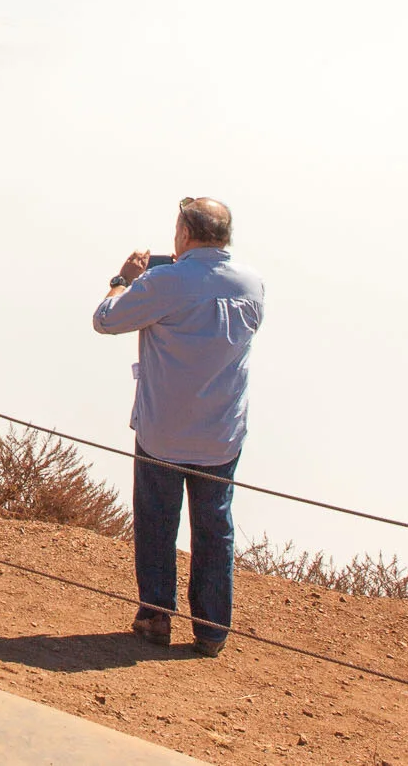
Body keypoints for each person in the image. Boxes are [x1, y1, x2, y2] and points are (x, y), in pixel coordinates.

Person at [93, 196, 265, 655]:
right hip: (221, 432)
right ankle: (211, 632)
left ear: (185, 235)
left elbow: (105, 321)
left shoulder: (163, 282)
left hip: (164, 429)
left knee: (157, 523)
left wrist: (123, 280)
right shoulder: (252, 283)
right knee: (215, 528)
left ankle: (155, 618)